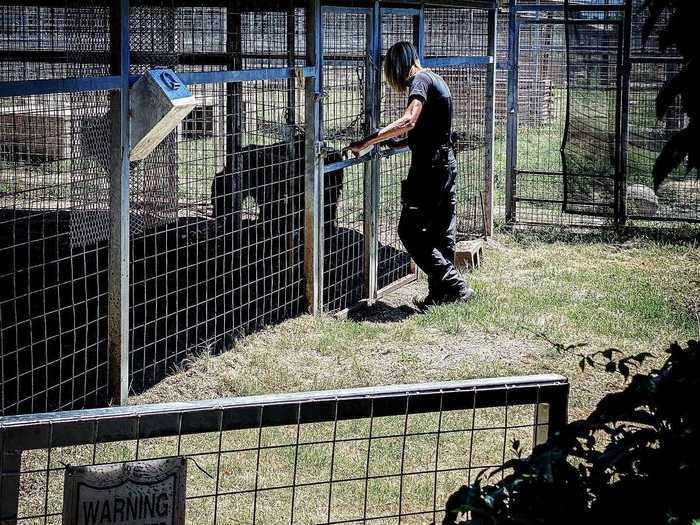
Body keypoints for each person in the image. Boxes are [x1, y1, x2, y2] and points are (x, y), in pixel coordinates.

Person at [347, 41, 475, 311]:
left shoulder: (419, 81)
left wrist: (367, 141)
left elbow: (409, 121)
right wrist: (397, 145)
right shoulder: (436, 78)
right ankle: (440, 296)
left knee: (409, 231)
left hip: (429, 170)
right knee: (442, 233)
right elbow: (430, 132)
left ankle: (456, 286)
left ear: (396, 67)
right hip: (445, 164)